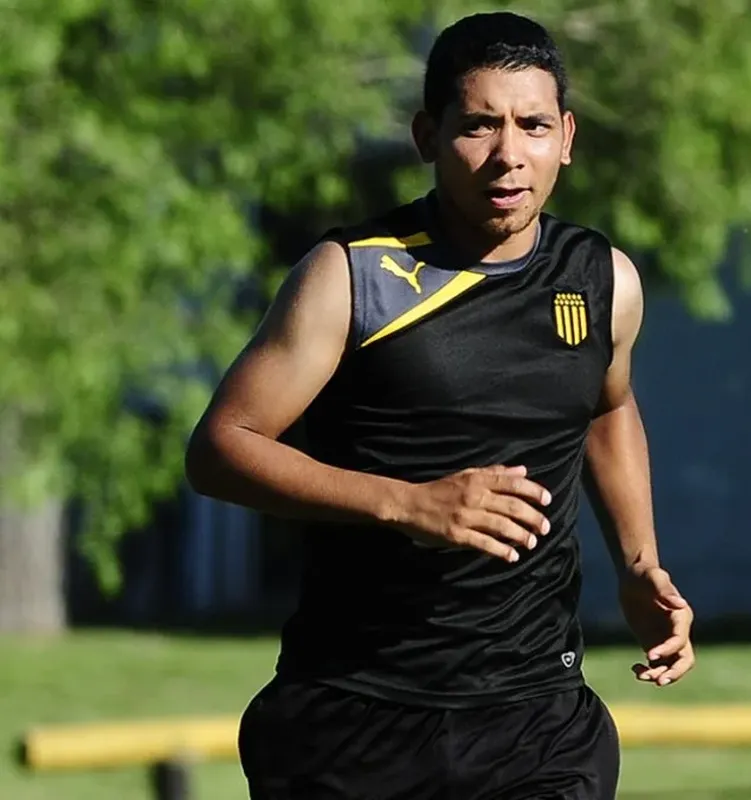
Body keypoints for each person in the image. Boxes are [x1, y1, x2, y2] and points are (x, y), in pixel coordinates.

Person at [185, 10, 695, 800]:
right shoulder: (354, 275)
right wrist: (407, 505)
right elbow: (221, 447)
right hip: (356, 712)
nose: (507, 155)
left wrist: (639, 563)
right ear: (428, 136)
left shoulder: (601, 279)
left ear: (566, 135)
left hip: (538, 718)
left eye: (531, 126)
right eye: (478, 126)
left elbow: (605, 407)